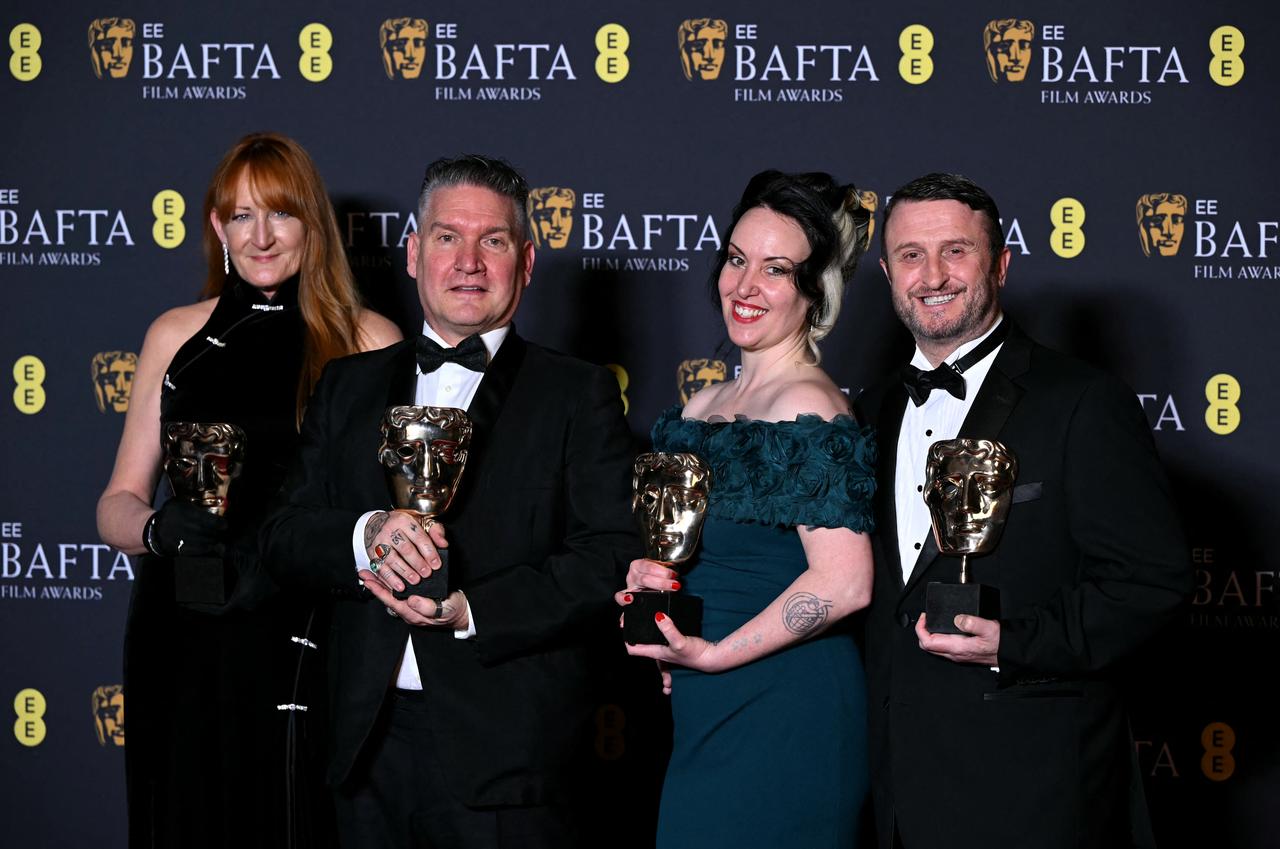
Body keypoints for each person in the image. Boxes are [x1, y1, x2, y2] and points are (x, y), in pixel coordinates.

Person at [260, 154, 637, 849]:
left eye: (492, 240)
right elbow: (282, 534)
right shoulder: (347, 387)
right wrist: (365, 531)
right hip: (361, 748)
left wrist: (474, 609)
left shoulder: (575, 395)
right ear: (412, 253)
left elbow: (609, 554)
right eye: (446, 237)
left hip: (507, 759)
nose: (468, 261)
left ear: (525, 262)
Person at [856, 172, 1190, 849]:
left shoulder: (1082, 402)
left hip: (1030, 792)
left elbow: (1151, 582)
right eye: (912, 255)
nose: (933, 275)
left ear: (1001, 264)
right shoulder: (871, 410)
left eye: (957, 250)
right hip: (894, 795)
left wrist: (1015, 640)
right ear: (888, 271)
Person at [96, 131, 401, 848]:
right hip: (186, 629)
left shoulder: (369, 339)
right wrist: (158, 530)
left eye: (281, 214)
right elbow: (116, 502)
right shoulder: (176, 335)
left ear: (312, 222)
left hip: (311, 631)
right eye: (241, 215)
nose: (261, 236)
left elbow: (393, 509)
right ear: (216, 227)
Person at [619, 170, 878, 848]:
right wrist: (654, 580)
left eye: (775, 269)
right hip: (706, 706)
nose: (744, 286)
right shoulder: (699, 409)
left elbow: (846, 582)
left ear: (814, 289)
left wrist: (715, 654)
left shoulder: (811, 408)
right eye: (736, 259)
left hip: (790, 707)